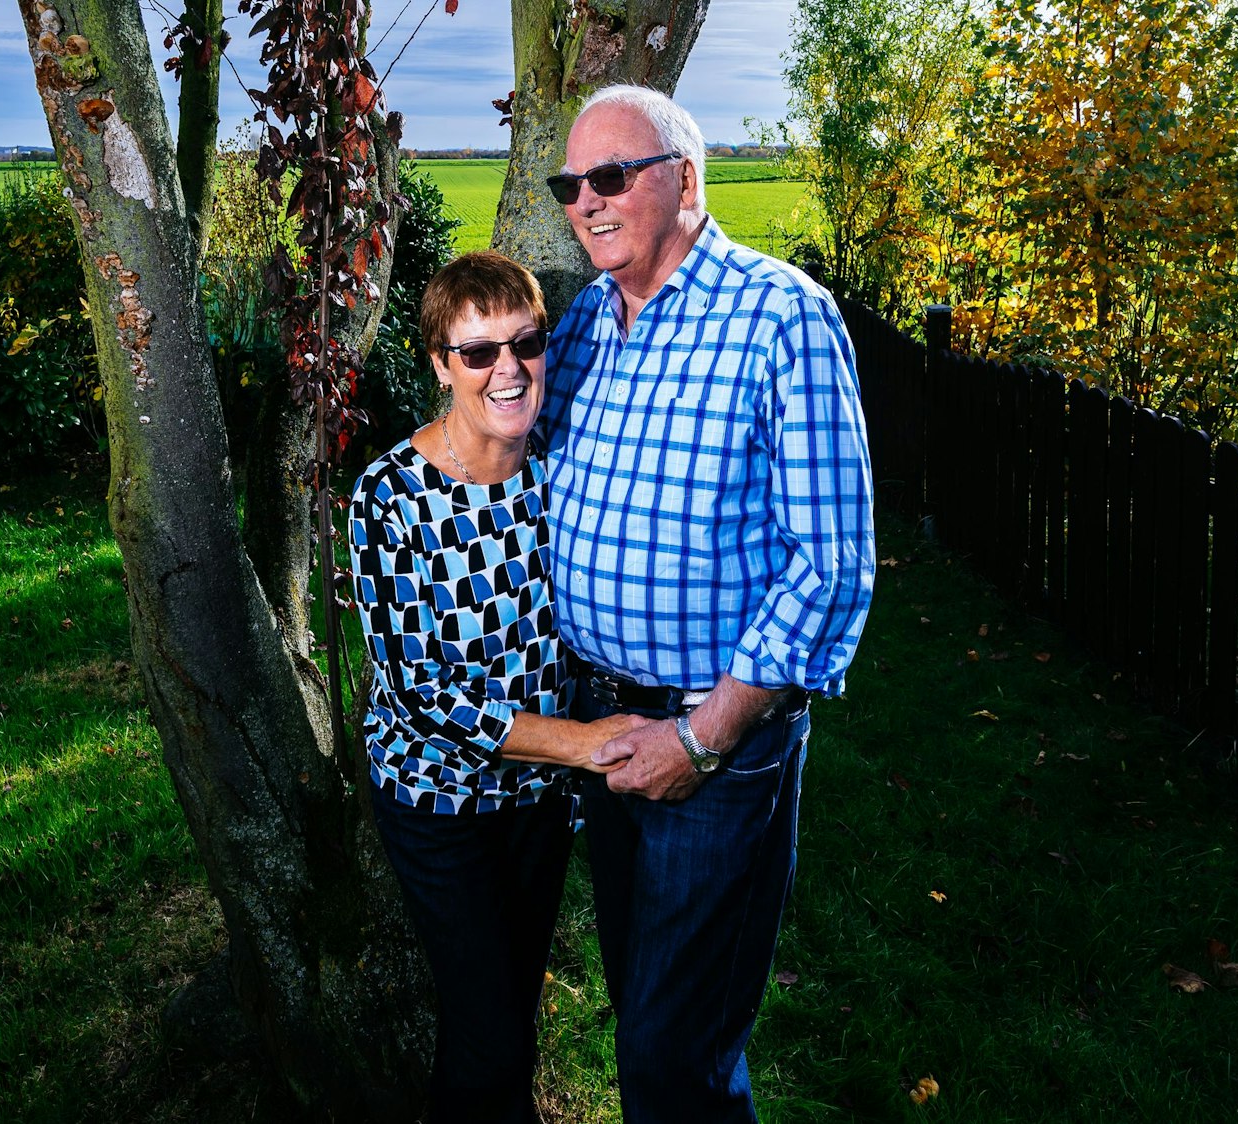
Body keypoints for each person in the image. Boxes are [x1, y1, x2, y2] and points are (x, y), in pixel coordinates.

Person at [535, 86, 876, 1120]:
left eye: (611, 176)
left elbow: (831, 559)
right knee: (649, 1009)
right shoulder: (589, 317)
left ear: (685, 178)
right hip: (601, 729)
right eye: (569, 184)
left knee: (675, 1047)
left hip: (712, 737)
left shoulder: (781, 314)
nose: (585, 202)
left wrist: (706, 733)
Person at [349, 250, 648, 1122]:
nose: (508, 371)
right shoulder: (391, 499)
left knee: (507, 1013)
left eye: (525, 344)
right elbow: (421, 694)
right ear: (440, 364)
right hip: (439, 805)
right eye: (478, 353)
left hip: (537, 802)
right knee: (490, 1042)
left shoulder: (558, 466)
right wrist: (586, 745)